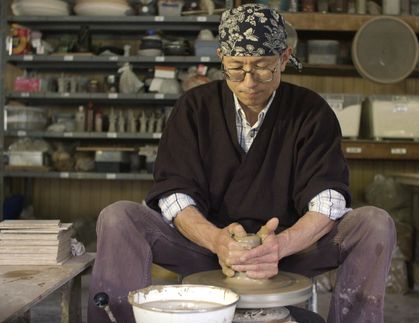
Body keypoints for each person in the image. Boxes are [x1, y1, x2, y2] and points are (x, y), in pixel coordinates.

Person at [88, 4, 396, 323]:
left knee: (374, 223)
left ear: (284, 58)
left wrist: (279, 246)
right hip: (206, 249)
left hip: (289, 252)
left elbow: (328, 199)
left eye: (262, 67)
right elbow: (174, 194)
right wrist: (218, 241)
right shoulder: (194, 109)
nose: (249, 82)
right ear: (221, 57)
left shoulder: (311, 113)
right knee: (119, 217)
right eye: (236, 68)